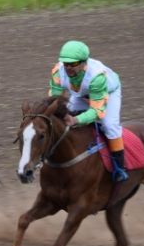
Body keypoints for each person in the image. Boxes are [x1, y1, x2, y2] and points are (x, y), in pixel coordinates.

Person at [49, 41, 128, 182]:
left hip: (108, 93)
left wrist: (76, 120)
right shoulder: (57, 71)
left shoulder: (97, 77)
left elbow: (97, 111)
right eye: (65, 63)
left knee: (109, 126)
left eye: (72, 64)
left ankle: (119, 168)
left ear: (84, 63)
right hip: (81, 94)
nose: (67, 67)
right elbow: (55, 99)